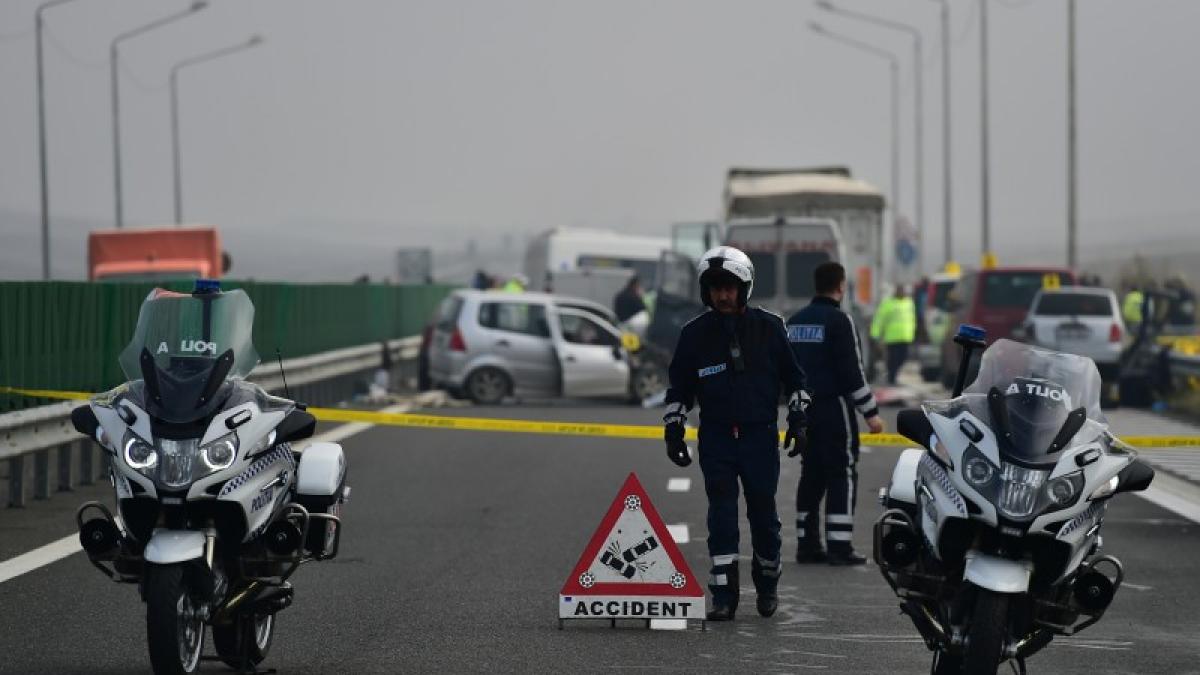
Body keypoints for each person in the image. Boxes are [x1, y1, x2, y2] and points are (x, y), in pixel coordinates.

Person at [662, 246, 810, 622]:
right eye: (715, 289)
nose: (722, 296)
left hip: (759, 437)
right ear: (705, 292)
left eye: (729, 288)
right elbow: (679, 388)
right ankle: (724, 595)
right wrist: (674, 428)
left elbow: (796, 380)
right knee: (722, 516)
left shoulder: (771, 326)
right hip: (716, 438)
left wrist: (799, 419)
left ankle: (767, 584)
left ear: (744, 287)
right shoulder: (693, 334)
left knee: (763, 514)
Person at [786, 262, 885, 566]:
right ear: (841, 286)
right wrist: (871, 413)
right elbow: (852, 373)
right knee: (841, 472)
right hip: (833, 408)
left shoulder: (794, 322)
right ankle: (839, 546)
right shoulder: (840, 321)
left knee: (811, 473)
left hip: (802, 408)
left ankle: (807, 544)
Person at [871, 284, 917, 385]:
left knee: (903, 358)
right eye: (899, 291)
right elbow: (879, 319)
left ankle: (892, 375)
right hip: (892, 338)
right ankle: (892, 377)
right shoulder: (888, 303)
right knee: (893, 359)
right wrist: (875, 334)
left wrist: (913, 333)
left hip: (905, 337)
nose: (902, 293)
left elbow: (912, 319)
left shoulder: (909, 303)